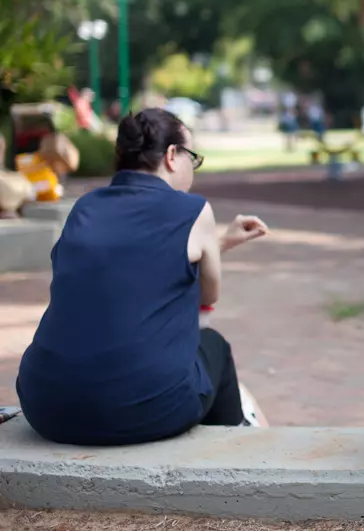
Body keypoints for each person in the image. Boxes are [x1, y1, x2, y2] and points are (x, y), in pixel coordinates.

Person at [16, 108, 269, 446]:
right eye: (191, 158)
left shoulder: (85, 208)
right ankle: (237, 464)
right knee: (215, 348)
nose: (192, 171)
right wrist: (211, 244)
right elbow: (208, 296)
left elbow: (128, 271)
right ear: (171, 156)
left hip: (45, 405)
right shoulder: (192, 210)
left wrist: (219, 243)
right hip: (143, 411)